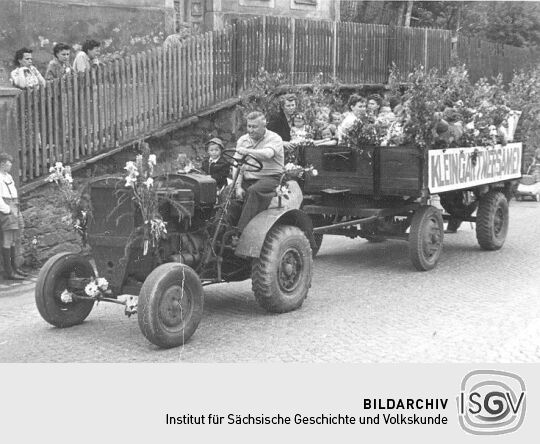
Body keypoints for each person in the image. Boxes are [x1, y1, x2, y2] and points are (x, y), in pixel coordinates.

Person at [234, 112, 284, 231]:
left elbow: (267, 154)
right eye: (249, 126)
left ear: (264, 125)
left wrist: (247, 151)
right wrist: (237, 186)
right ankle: (222, 230)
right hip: (249, 177)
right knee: (227, 193)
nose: (251, 130)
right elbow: (237, 164)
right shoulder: (243, 140)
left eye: (254, 127)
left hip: (271, 178)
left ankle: (242, 232)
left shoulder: (274, 138)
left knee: (253, 191)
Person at [0, 152, 27, 280]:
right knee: (7, 239)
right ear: (2, 164)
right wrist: (7, 210)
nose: (10, 164)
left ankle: (14, 267)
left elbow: (13, 192)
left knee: (13, 239)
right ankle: (8, 271)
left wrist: (16, 209)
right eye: (8, 162)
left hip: (14, 206)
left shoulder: (8, 177)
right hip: (7, 208)